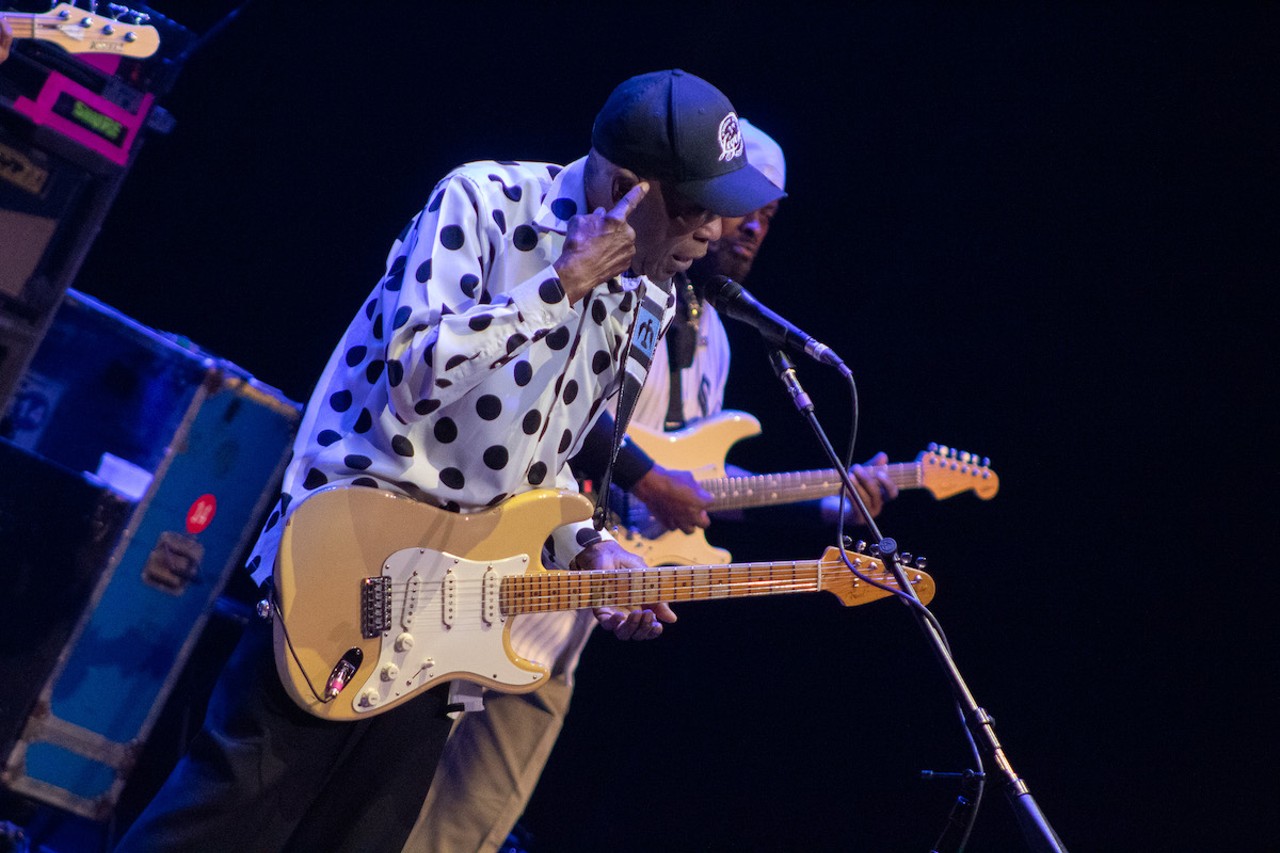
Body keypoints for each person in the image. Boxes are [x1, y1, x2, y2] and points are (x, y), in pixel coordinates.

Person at [113, 68, 784, 853]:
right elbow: (415, 374)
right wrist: (561, 284)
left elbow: (550, 461)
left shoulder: (648, 297)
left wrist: (592, 546)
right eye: (696, 207)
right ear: (630, 189)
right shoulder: (486, 202)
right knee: (221, 822)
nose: (709, 233)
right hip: (351, 562)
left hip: (453, 616)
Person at [404, 120, 896, 853]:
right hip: (487, 568)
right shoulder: (610, 279)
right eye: (742, 207)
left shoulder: (716, 335)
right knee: (379, 792)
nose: (753, 227)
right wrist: (646, 475)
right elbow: (555, 407)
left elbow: (696, 485)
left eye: (770, 214)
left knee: (464, 832)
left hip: (561, 626)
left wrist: (827, 503)